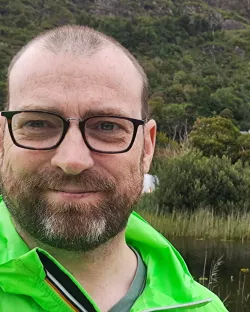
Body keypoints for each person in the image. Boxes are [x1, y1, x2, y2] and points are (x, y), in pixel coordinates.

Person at [0, 25, 227, 312]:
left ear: (147, 148)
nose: (72, 160)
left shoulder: (202, 308)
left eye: (107, 126)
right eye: (37, 124)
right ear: (2, 140)